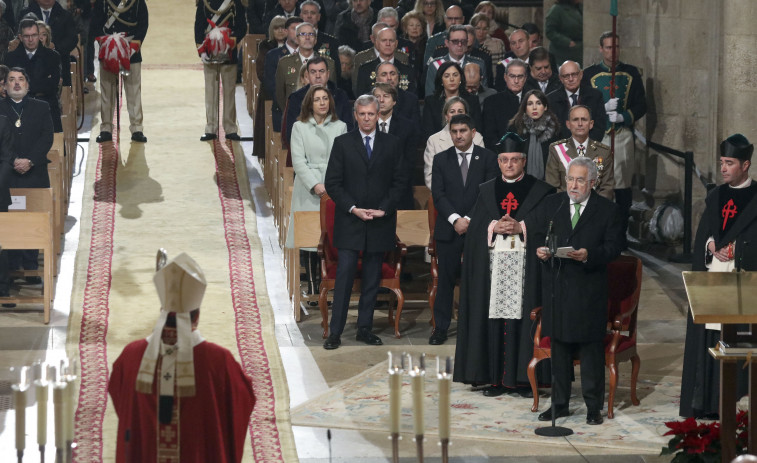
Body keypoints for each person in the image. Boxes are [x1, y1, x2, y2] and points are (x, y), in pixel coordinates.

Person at [109, 252, 255, 462]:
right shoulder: (219, 361)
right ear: (196, 315)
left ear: (162, 311)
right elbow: (242, 401)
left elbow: (122, 402)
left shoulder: (130, 357)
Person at [453, 132, 555, 395]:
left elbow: (549, 226)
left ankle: (523, 379)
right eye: (504, 160)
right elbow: (474, 227)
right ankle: (495, 379)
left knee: (524, 320)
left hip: (526, 269)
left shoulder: (540, 191)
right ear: (498, 162)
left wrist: (521, 226)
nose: (509, 165)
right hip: (493, 269)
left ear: (523, 161)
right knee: (493, 320)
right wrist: (492, 225)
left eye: (514, 160)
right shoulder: (487, 191)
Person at [526, 156, 624, 426]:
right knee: (559, 351)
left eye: (580, 180)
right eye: (570, 178)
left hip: (589, 289)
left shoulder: (607, 210)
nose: (574, 185)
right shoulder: (552, 204)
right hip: (558, 288)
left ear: (592, 182)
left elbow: (614, 247)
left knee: (591, 352)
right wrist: (539, 250)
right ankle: (559, 405)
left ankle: (594, 408)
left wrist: (588, 255)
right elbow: (534, 232)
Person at [680, 134, 757, 419]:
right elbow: (705, 235)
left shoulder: (756, 197)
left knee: (733, 342)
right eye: (722, 162)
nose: (723, 168)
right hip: (714, 276)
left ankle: (735, 402)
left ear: (746, 165)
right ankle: (706, 401)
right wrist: (711, 245)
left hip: (740, 283)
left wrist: (738, 248)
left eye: (730, 163)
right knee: (709, 340)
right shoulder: (715, 195)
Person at [322, 94, 406, 350]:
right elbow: (332, 183)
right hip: (350, 221)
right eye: (362, 114)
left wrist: (383, 209)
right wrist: (353, 208)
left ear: (378, 115)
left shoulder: (392, 144)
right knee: (345, 278)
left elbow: (400, 182)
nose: (367, 118)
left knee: (371, 279)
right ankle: (335, 332)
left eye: (371, 114)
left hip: (380, 222)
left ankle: (365, 329)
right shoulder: (342, 143)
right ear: (355, 116)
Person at [429, 113, 497, 345]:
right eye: (454, 132)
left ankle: (475, 328)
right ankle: (440, 328)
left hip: (478, 229)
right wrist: (456, 219)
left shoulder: (488, 158)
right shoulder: (441, 159)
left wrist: (468, 219)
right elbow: (438, 195)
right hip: (448, 229)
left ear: (473, 132)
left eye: (463, 131)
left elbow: (487, 194)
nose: (459, 135)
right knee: (445, 281)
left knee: (477, 279)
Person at [582, 31, 647, 232]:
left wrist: (623, 117)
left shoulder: (631, 73)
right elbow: (583, 103)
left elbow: (641, 105)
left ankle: (620, 230)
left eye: (617, 47)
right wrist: (602, 110)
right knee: (598, 182)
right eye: (609, 47)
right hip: (598, 135)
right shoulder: (590, 74)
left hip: (621, 135)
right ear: (601, 49)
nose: (613, 51)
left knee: (622, 184)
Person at [285, 85, 346, 295]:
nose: (322, 103)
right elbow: (299, 161)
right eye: (317, 99)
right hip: (308, 188)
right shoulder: (299, 127)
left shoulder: (340, 126)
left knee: (329, 236)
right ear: (309, 104)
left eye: (325, 99)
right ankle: (312, 288)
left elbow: (341, 159)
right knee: (309, 239)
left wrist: (331, 185)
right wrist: (315, 185)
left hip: (333, 186)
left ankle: (328, 286)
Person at [91, 0, 148, 143]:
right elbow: (96, 23)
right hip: (109, 49)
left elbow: (143, 22)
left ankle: (137, 128)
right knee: (107, 90)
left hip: (131, 50)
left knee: (133, 90)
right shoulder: (103, 2)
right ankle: (106, 128)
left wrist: (135, 45)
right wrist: (105, 43)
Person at [195, 0, 245, 142]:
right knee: (211, 91)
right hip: (209, 50)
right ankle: (210, 128)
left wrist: (230, 41)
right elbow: (198, 26)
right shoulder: (204, 3)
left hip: (229, 52)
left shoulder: (235, 3)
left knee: (229, 91)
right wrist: (201, 49)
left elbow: (241, 26)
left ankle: (230, 128)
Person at [545, 105, 614, 200]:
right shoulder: (556, 150)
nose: (580, 123)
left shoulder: (604, 152)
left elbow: (607, 188)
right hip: (565, 207)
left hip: (595, 209)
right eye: (575, 120)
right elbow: (552, 187)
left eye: (584, 119)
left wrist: (591, 207)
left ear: (591, 124)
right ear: (568, 124)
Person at [4, 18, 61, 132]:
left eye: (34, 35)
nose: (31, 40)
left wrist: (23, 85)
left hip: (47, 107)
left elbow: (52, 86)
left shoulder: (52, 57)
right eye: (26, 36)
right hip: (18, 110)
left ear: (38, 35)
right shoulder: (10, 58)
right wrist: (40, 84)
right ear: (20, 37)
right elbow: (9, 88)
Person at [284, 56, 353, 145]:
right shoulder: (296, 98)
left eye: (321, 71)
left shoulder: (341, 96)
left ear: (328, 74)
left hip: (336, 150)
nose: (318, 76)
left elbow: (349, 129)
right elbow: (291, 134)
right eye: (313, 72)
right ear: (307, 75)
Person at [275, 22, 336, 120]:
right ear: (297, 39)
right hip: (295, 117)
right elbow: (280, 94)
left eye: (311, 34)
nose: (307, 37)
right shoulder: (284, 63)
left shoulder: (329, 63)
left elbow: (332, 93)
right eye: (303, 34)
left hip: (324, 119)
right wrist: (291, 112)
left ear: (315, 40)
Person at [423, 96, 483, 189]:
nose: (456, 115)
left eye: (460, 111)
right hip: (444, 197)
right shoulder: (433, 140)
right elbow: (430, 176)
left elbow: (480, 171)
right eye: (452, 112)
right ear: (446, 116)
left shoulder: (477, 138)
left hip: (473, 195)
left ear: (466, 115)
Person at [373, 82, 415, 209]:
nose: (381, 100)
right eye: (377, 96)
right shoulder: (365, 125)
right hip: (371, 188)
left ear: (394, 101)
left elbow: (409, 160)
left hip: (399, 189)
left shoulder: (407, 126)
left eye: (386, 96)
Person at [506, 89, 560, 181]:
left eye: (538, 103)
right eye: (530, 104)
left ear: (545, 107)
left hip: (549, 182)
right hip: (520, 182)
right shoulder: (515, 129)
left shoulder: (554, 130)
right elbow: (509, 159)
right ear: (525, 107)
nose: (534, 107)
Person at [252, 15, 287, 158]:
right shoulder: (265, 46)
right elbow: (261, 72)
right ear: (271, 30)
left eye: (283, 28)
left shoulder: (293, 46)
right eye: (276, 28)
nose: (280, 31)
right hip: (269, 92)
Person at [20, 0, 77, 87]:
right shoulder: (26, 14)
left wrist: (55, 47)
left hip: (60, 63)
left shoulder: (65, 15)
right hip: (30, 64)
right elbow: (19, 36)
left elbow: (72, 39)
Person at [547, 60, 606, 141]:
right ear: (561, 78)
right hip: (562, 149)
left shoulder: (595, 96)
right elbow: (551, 130)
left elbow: (599, 127)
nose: (571, 79)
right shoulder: (551, 99)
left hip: (589, 148)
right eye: (566, 76)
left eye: (574, 74)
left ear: (581, 75)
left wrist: (584, 145)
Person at [422, 61, 481, 138]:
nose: (452, 79)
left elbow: (477, 129)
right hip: (439, 145)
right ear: (441, 80)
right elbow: (428, 132)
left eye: (455, 75)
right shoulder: (431, 102)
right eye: (447, 76)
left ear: (460, 78)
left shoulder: (472, 100)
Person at [425, 24, 486, 97]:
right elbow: (430, 95)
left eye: (463, 41)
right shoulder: (435, 65)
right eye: (455, 41)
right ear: (447, 43)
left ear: (467, 43)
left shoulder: (479, 64)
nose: (460, 45)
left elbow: (483, 94)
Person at [264, 16, 302, 133]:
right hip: (282, 111)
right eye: (294, 29)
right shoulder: (273, 56)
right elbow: (271, 86)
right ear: (286, 31)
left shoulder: (312, 56)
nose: (297, 33)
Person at [354, 26, 416, 96]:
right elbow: (361, 98)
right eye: (384, 40)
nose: (388, 44)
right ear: (377, 43)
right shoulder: (365, 70)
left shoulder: (407, 70)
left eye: (391, 41)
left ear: (396, 44)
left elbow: (412, 97)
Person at [482, 59, 525, 150]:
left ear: (525, 78)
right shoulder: (491, 102)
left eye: (520, 77)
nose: (516, 81)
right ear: (505, 77)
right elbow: (489, 137)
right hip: (502, 157)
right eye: (512, 76)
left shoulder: (534, 100)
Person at [375, 61, 420, 132]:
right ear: (377, 79)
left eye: (392, 74)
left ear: (398, 77)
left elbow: (416, 131)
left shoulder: (411, 100)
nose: (389, 78)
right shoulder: (368, 100)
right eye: (384, 74)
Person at [300, 0, 341, 77]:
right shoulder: (294, 41)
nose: (309, 16)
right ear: (301, 16)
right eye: (305, 13)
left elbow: (336, 72)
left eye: (313, 13)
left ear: (319, 17)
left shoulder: (331, 42)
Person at [545, 0, 583, 66]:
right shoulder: (556, 10)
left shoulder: (580, 8)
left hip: (579, 53)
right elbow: (550, 32)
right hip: (562, 54)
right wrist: (567, 42)